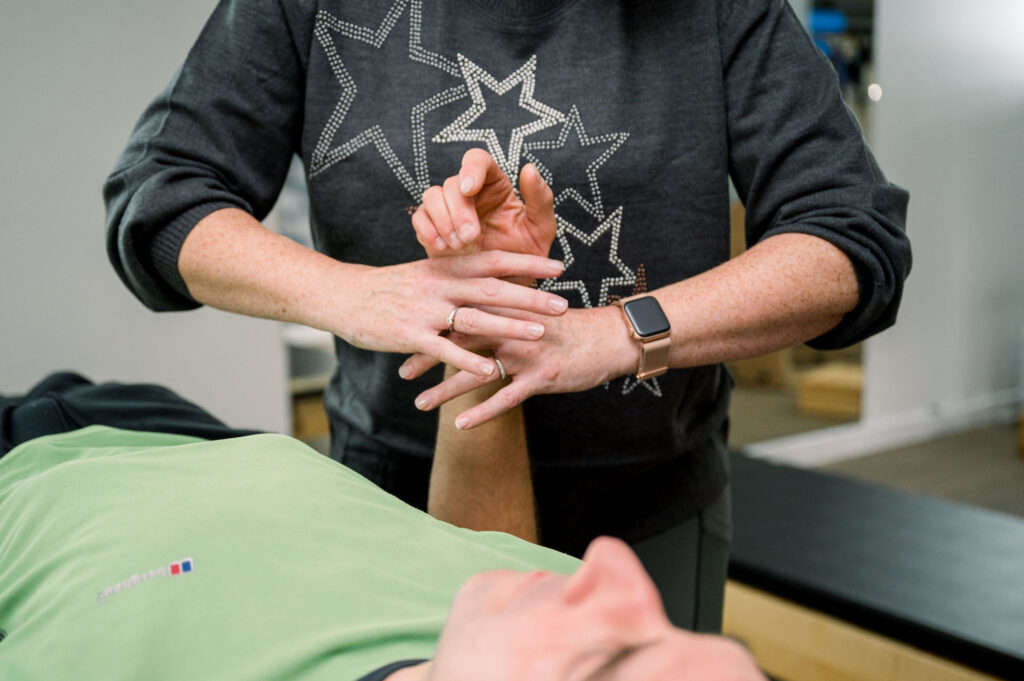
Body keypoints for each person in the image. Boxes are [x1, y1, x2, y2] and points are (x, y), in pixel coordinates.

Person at [104, 0, 911, 630]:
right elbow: (162, 194)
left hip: (645, 511)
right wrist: (355, 294)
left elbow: (850, 236)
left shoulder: (717, 12)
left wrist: (613, 335)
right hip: (388, 499)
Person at [0, 376, 766, 681]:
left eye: (608, 658)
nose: (611, 567)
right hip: (196, 431)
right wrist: (480, 324)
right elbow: (460, 540)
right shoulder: (521, 603)